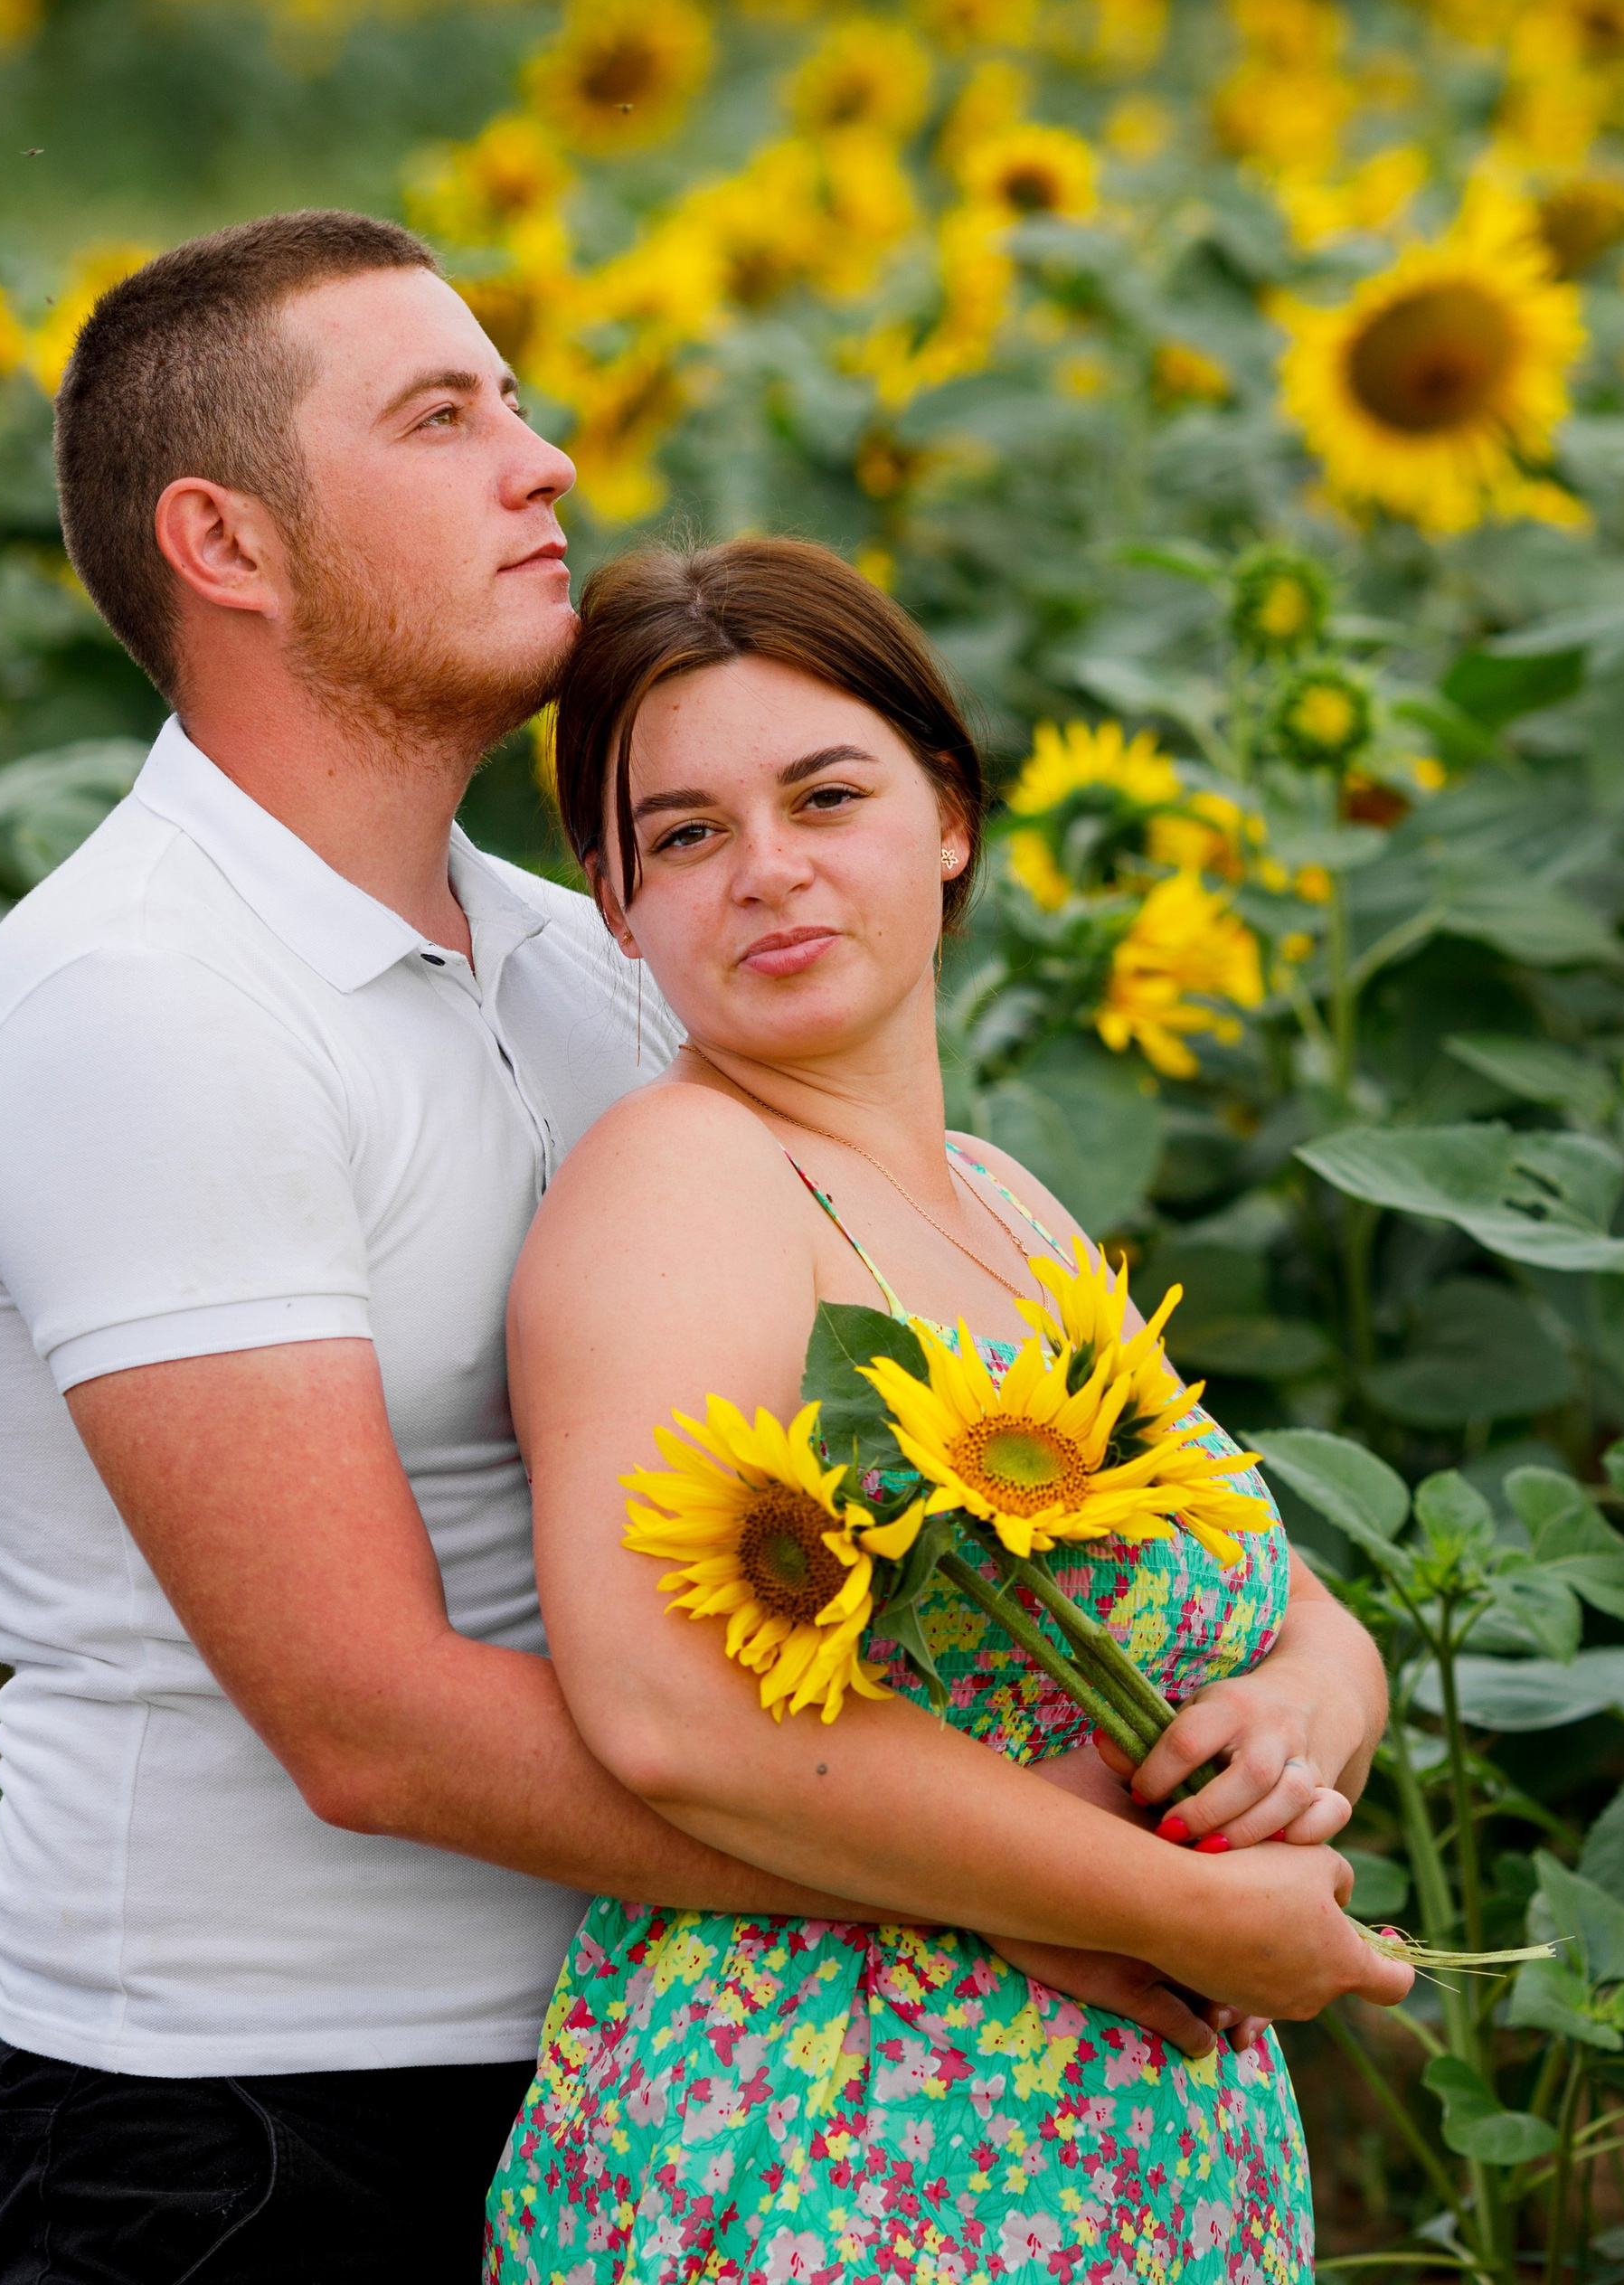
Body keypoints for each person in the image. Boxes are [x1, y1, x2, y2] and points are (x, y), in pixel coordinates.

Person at [0, 212, 1384, 2283]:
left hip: (658, 2041)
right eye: (443, 416)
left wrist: (1308, 1669)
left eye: (517, 398)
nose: (545, 462)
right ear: (226, 544)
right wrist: (1043, 1883)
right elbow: (371, 1719)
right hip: (249, 2123)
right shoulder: (145, 1006)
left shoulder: (570, 963)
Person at [488, 537, 1413, 2283]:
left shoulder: (1001, 1196)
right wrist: (1194, 1909)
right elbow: (670, 1714)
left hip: (1111, 2159)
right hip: (841, 2152)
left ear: (951, 816)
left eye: (826, 795)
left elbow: (1267, 1587)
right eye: (685, 834)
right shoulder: (683, 1181)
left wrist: (1312, 1697)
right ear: (616, 901)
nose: (769, 871)